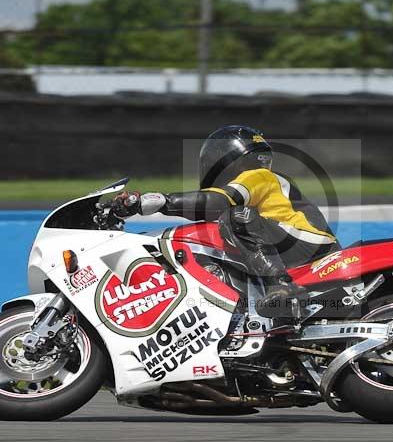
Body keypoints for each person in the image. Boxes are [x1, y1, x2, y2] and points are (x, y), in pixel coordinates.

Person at [110, 125, 339, 318]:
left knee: (236, 217)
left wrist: (162, 201)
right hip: (306, 245)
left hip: (308, 243)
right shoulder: (267, 181)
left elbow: (218, 201)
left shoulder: (257, 175)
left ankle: (281, 285)